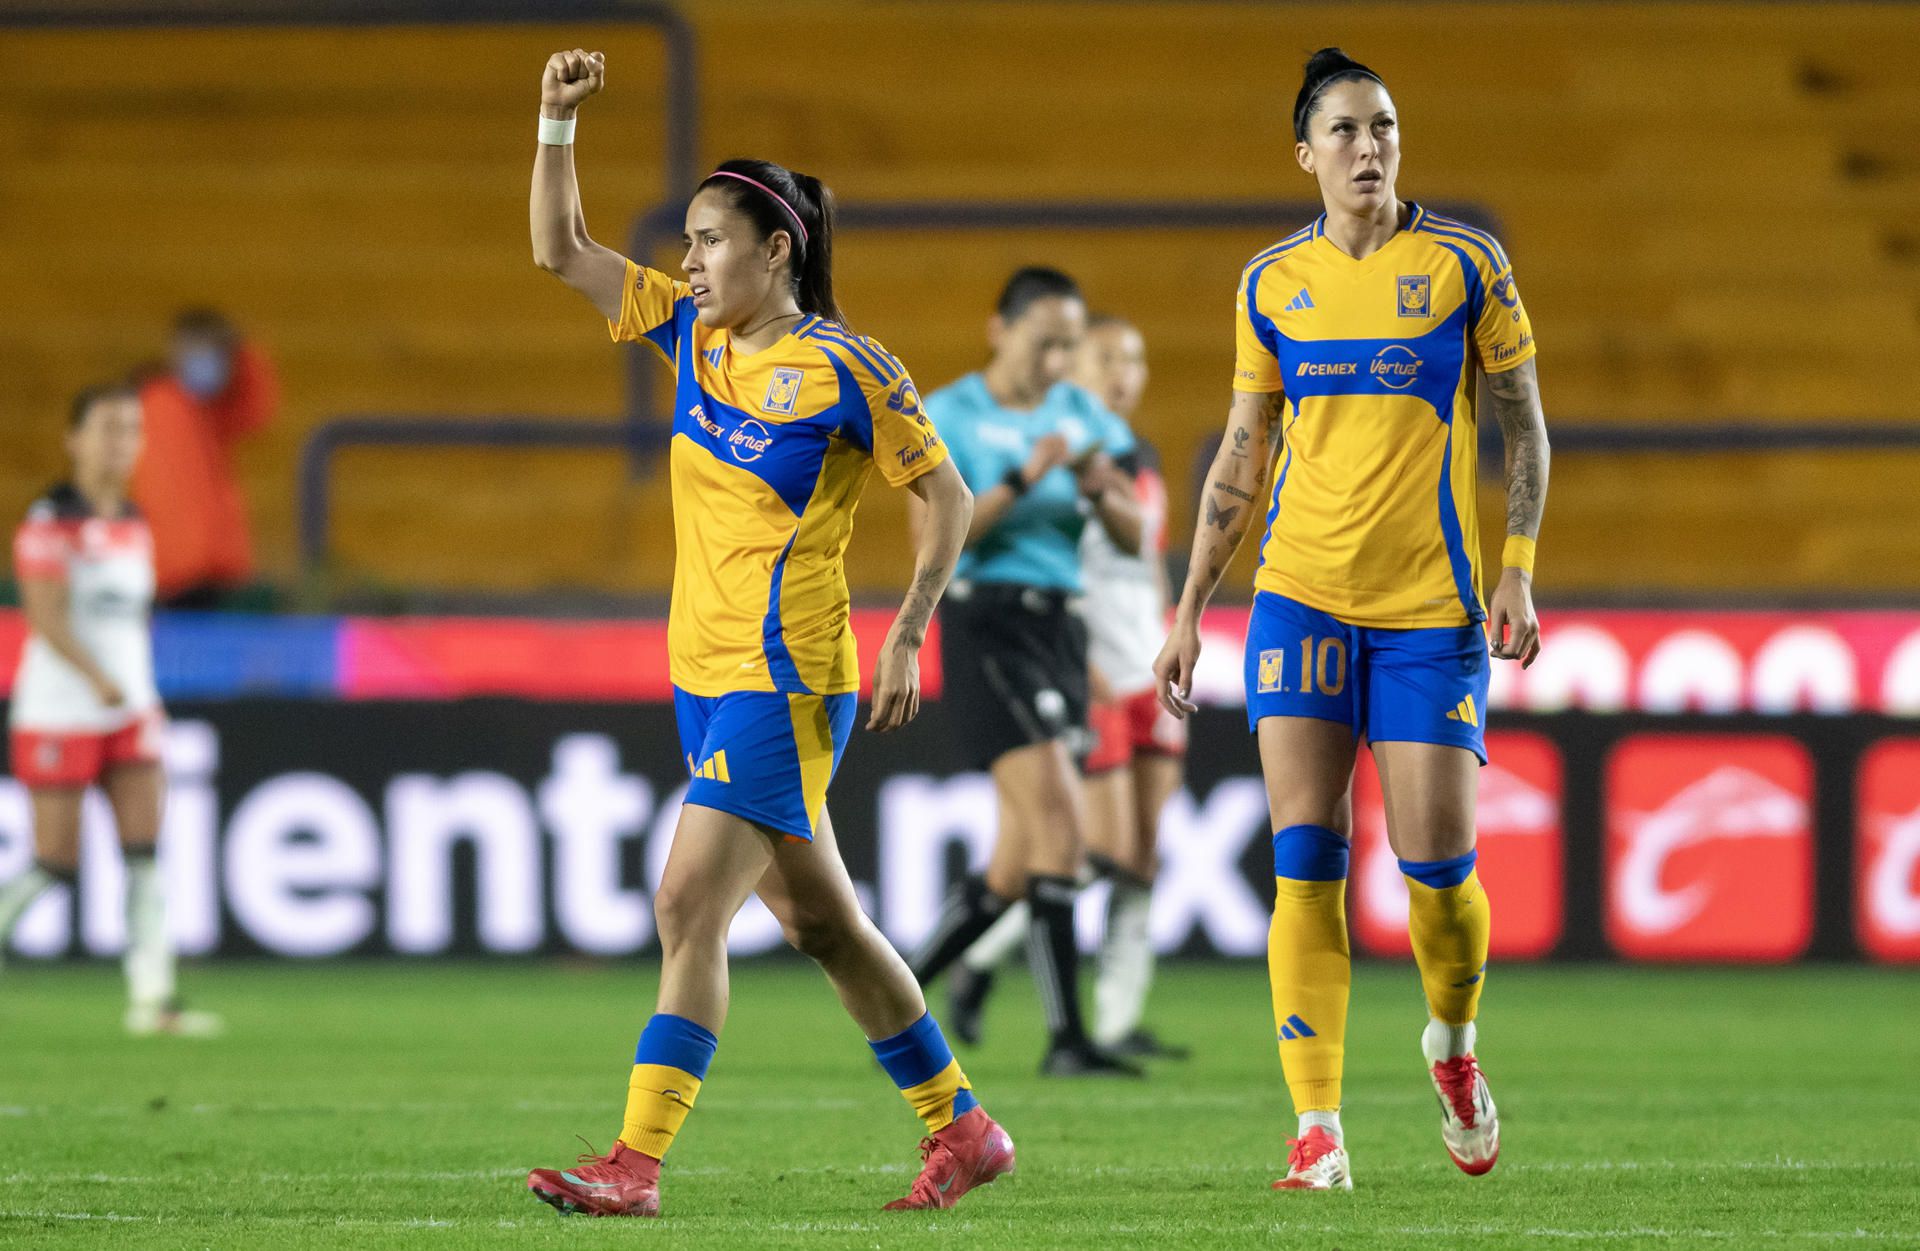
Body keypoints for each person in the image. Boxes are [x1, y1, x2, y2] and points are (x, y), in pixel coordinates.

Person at [522, 49, 1008, 1218]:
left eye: (708, 240)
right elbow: (560, 251)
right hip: (702, 671)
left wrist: (908, 633)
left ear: (776, 250)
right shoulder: (691, 334)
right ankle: (964, 1126)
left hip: (788, 677)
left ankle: (634, 1167)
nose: (688, 262)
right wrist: (553, 122)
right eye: (686, 243)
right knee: (824, 926)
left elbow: (945, 496)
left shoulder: (847, 368)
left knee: (690, 902)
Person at [1154, 48, 1550, 1191]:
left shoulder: (1468, 263)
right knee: (1305, 861)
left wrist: (1515, 567)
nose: (1369, 147)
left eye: (1383, 127)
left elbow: (1522, 424)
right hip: (1302, 598)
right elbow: (1243, 450)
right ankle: (1316, 1127)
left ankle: (1454, 1046)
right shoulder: (1271, 283)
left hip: (1431, 609)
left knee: (1436, 870)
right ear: (1305, 154)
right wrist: (1189, 610)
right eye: (1345, 130)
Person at [906, 268, 1145, 1077]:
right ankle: (1067, 1039)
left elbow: (1131, 534)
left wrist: (1100, 489)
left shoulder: (1080, 414)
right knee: (1062, 827)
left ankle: (891, 999)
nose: (1056, 361)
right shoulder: (948, 413)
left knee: (1016, 862)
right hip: (987, 621)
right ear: (998, 330)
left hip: (1061, 626)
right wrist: (1027, 475)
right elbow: (935, 537)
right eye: (1045, 342)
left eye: (1067, 346)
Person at [946, 314, 1190, 1062]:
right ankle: (984, 960)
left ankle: (1116, 1017)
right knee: (1095, 846)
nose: (1123, 372)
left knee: (1140, 854)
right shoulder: (1051, 452)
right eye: (1105, 357)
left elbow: (1145, 561)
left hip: (1147, 659)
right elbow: (1053, 565)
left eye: (1135, 358)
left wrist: (1171, 632)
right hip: (1091, 665)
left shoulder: (1131, 457)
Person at [0, 384, 222, 1038]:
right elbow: (44, 614)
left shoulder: (133, 518)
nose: (119, 442)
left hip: (130, 707)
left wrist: (133, 687)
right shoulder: (49, 519)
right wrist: (97, 679)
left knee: (145, 852)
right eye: (106, 428)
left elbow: (133, 621)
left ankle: (154, 999)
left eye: (130, 429)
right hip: (61, 707)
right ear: (73, 439)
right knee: (56, 859)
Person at [131, 308, 278, 608]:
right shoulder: (156, 403)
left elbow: (258, 410)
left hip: (215, 570)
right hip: (173, 573)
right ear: (177, 354)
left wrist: (242, 353)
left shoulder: (210, 411)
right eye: (196, 350)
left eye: (215, 354)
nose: (207, 364)